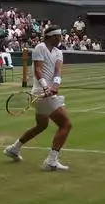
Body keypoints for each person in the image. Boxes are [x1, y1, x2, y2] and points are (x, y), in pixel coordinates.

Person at [4, 27, 72, 171]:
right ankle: (51, 161)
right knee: (66, 124)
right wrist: (46, 88)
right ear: (52, 37)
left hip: (47, 93)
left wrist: (55, 85)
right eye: (59, 35)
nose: (61, 38)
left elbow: (58, 70)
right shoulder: (40, 48)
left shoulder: (59, 52)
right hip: (41, 92)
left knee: (41, 126)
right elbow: (38, 70)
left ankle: (14, 149)